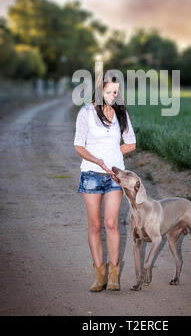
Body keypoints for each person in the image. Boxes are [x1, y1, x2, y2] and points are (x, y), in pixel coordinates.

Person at [74, 74, 136, 291]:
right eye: (109, 92)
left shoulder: (121, 113)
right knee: (95, 226)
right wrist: (98, 160)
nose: (113, 96)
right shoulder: (86, 113)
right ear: (100, 91)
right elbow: (79, 146)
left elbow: (131, 143)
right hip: (91, 174)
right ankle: (99, 275)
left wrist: (111, 154)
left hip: (114, 177)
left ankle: (113, 276)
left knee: (111, 223)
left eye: (116, 92)